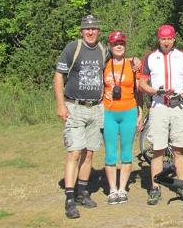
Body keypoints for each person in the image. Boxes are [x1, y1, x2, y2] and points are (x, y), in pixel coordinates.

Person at [53, 15, 107, 219]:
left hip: (96, 108)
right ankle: (69, 198)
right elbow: (59, 76)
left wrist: (135, 61)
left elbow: (119, 58)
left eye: (94, 28)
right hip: (74, 107)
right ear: (81, 31)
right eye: (87, 29)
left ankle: (83, 192)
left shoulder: (103, 50)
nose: (91, 32)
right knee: (74, 152)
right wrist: (60, 104)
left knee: (90, 152)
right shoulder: (72, 48)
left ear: (99, 31)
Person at [139, 24, 183, 205]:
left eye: (169, 38)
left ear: (174, 39)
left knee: (180, 149)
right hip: (159, 106)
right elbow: (142, 83)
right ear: (159, 39)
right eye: (163, 39)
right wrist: (155, 91)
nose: (166, 42)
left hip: (178, 106)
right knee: (158, 149)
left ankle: (182, 186)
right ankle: (155, 188)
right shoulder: (150, 57)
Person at [102, 31, 143, 205]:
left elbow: (139, 90)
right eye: (115, 43)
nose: (119, 46)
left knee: (127, 152)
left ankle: (122, 189)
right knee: (110, 153)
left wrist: (140, 112)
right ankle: (112, 189)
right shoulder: (103, 64)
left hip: (129, 111)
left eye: (122, 43)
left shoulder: (133, 64)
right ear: (110, 46)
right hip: (108, 112)